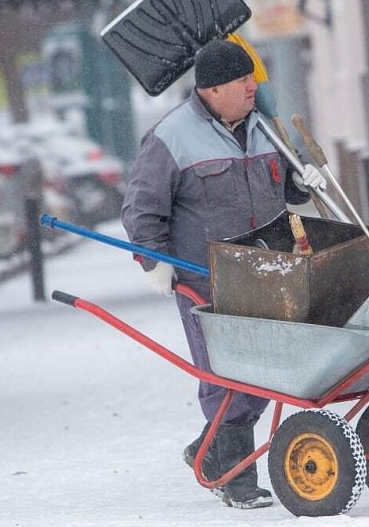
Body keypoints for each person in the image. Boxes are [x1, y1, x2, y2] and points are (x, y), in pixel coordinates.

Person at [121, 39, 326, 509]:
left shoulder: (266, 129)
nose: (253, 86)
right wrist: (153, 262)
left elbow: (287, 193)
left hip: (270, 271)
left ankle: (210, 453)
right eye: (242, 80)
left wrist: (302, 178)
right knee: (227, 375)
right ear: (212, 89)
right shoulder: (170, 137)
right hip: (206, 279)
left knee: (269, 373)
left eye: (253, 78)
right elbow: (141, 210)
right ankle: (238, 480)